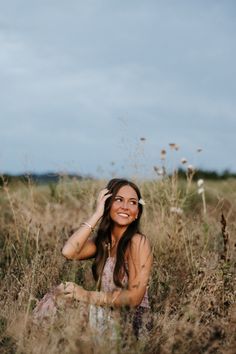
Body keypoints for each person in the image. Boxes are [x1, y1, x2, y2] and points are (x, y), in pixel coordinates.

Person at [33, 178, 153, 339]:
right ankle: (36, 340)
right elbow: (68, 252)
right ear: (107, 204)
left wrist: (85, 295)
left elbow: (134, 298)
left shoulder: (138, 242)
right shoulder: (103, 243)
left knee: (67, 303)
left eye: (132, 202)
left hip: (131, 323)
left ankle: (34, 339)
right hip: (108, 314)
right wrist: (97, 214)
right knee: (61, 291)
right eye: (118, 200)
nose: (125, 206)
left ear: (137, 212)